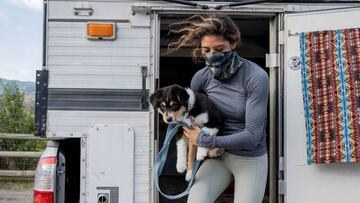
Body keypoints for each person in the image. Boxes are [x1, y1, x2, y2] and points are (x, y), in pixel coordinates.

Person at [168, 14, 269, 203]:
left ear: (233, 43)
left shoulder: (255, 77)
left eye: (219, 49)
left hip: (249, 158)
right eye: (206, 50)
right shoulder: (201, 78)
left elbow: (253, 135)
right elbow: (193, 119)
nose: (212, 55)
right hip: (216, 156)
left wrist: (207, 140)